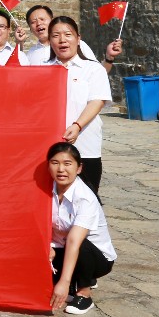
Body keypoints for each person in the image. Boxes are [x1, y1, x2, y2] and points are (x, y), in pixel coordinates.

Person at [48, 142, 116, 314]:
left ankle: (84, 293)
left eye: (67, 164)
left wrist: (63, 282)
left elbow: (74, 241)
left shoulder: (85, 198)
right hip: (61, 248)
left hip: (94, 257)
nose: (61, 169)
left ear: (79, 168)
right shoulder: (46, 190)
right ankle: (71, 282)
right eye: (55, 163)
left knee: (81, 244)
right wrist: (46, 246)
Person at [48, 16, 111, 196]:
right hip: (50, 146)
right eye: (56, 35)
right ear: (50, 40)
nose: (62, 40)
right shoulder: (41, 69)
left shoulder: (93, 69)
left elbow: (97, 101)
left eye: (68, 34)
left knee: (87, 197)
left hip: (84, 145)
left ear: (78, 38)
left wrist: (77, 126)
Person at [25, 5, 121, 71]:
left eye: (42, 19)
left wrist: (109, 58)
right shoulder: (31, 53)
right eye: (33, 22)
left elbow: (98, 73)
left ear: (52, 21)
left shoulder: (77, 45)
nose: (39, 23)